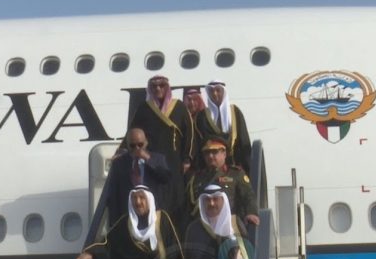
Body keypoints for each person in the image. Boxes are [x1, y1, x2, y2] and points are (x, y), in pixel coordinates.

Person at [130, 75, 195, 234]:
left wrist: (187, 158)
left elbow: (189, 134)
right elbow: (132, 133)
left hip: (175, 161)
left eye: (161, 86)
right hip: (153, 162)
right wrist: (123, 151)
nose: (158, 89)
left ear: (167, 88)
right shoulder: (144, 109)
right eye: (154, 86)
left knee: (177, 199)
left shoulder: (179, 107)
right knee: (155, 199)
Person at [184, 184, 254, 259]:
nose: (211, 203)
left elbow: (245, 255)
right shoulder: (193, 228)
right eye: (207, 200)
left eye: (215, 199)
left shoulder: (234, 224)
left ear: (223, 200)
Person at [186, 136, 260, 227]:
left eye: (214, 152)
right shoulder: (197, 177)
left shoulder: (235, 174)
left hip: (230, 225)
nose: (210, 156)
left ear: (224, 154)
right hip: (204, 227)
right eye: (207, 153)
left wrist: (251, 213)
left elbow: (248, 196)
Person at [106, 127, 171, 227]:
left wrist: (148, 159)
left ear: (146, 143)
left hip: (153, 215)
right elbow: (113, 195)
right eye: (132, 146)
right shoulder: (119, 163)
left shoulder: (158, 159)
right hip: (129, 216)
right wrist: (114, 223)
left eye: (140, 145)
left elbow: (165, 178)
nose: (137, 149)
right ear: (127, 145)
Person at [194, 80, 252, 174]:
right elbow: (200, 144)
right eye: (212, 91)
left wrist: (248, 168)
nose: (215, 94)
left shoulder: (235, 112)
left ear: (224, 92)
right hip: (211, 167)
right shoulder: (202, 116)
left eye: (218, 90)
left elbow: (243, 140)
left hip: (234, 165)